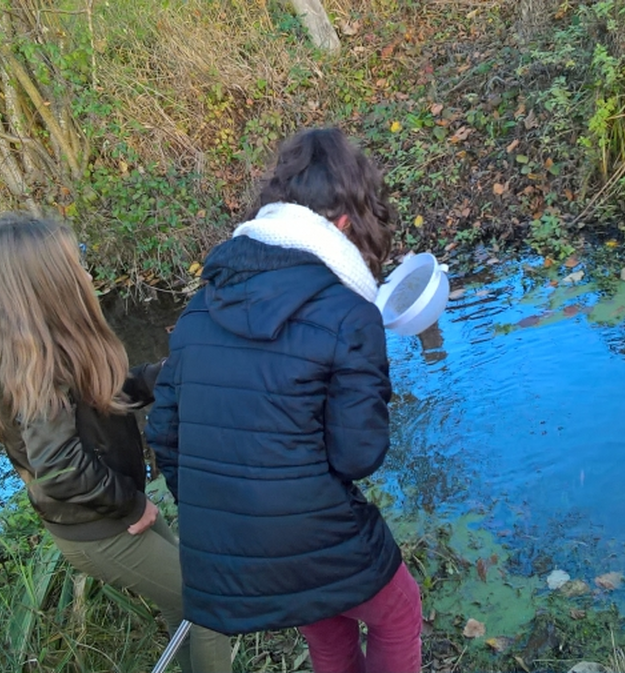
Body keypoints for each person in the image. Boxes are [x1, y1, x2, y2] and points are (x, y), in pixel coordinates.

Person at [145, 128, 422, 673]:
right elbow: (358, 456)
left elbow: (165, 434)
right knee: (397, 610)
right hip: (310, 530)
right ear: (344, 222)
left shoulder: (201, 306)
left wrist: (230, 509)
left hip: (227, 546)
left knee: (327, 622)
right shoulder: (350, 312)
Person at [0, 211, 231, 673]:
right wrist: (130, 505)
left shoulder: (50, 349)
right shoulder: (35, 372)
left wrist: (167, 375)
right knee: (210, 603)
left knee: (182, 606)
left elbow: (104, 398)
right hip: (100, 528)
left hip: (110, 512)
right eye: (77, 265)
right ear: (49, 285)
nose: (88, 275)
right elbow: (59, 469)